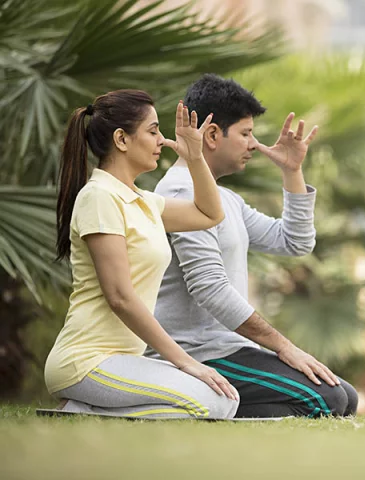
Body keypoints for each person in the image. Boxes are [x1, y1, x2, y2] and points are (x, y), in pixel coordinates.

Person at [148, 74, 358, 418]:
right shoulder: (180, 193)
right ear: (213, 135)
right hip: (195, 354)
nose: (253, 144)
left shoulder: (224, 199)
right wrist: (285, 348)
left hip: (227, 348)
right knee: (329, 401)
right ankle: (186, 404)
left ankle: (211, 407)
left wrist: (292, 171)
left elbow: (295, 242)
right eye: (245, 134)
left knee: (344, 396)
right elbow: (209, 288)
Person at [45, 90, 239, 419]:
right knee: (212, 403)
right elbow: (119, 296)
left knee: (225, 399)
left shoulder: (143, 201)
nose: (162, 141)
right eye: (153, 131)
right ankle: (84, 409)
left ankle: (85, 411)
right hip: (87, 359)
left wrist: (195, 158)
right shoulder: (100, 197)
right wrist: (185, 362)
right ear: (122, 139)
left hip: (125, 360)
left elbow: (210, 214)